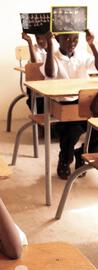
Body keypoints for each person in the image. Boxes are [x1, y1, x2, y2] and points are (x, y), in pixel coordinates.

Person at [41, 30, 98, 179]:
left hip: (85, 103)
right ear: (57, 39)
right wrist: (50, 47)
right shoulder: (52, 57)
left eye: (75, 39)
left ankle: (81, 154)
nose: (72, 43)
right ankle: (65, 160)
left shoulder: (83, 56)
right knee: (71, 132)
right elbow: (50, 73)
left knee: (96, 131)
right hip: (64, 106)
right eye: (66, 38)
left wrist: (91, 45)